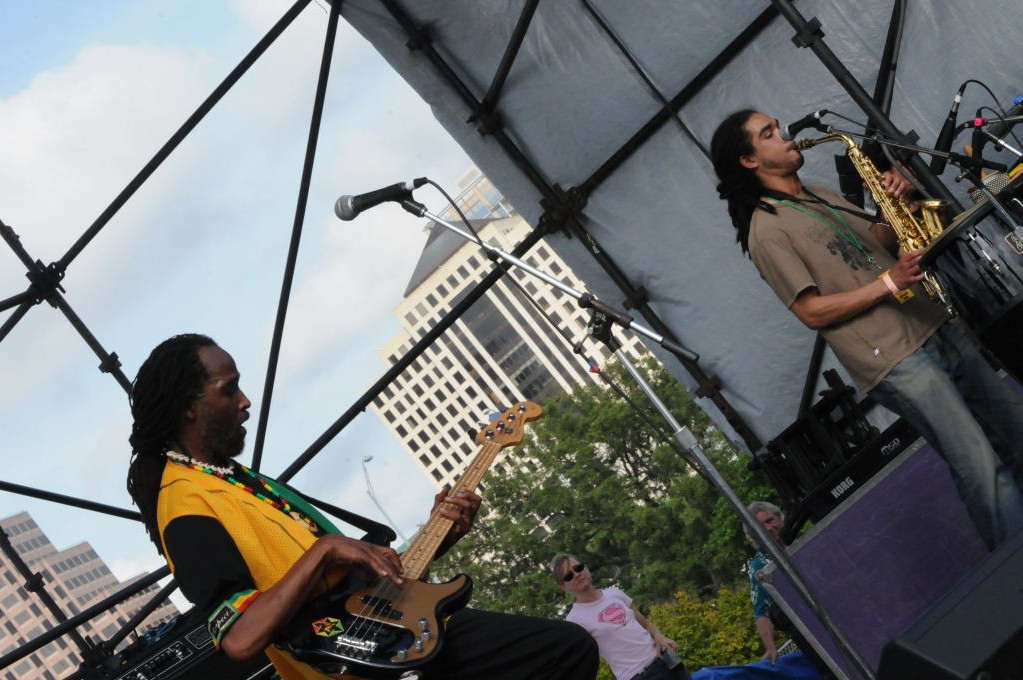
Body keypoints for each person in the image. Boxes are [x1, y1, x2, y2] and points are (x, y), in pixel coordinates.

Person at [126, 333, 598, 680]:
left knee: (563, 650)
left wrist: (438, 534)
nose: (245, 401)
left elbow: (349, 590)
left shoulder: (234, 480)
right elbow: (240, 636)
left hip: (394, 636)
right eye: (229, 389)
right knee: (562, 649)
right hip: (358, 664)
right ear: (188, 406)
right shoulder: (183, 505)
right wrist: (325, 550)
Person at [711, 109, 1023, 550]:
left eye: (778, 128)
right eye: (769, 134)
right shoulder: (766, 231)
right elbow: (810, 311)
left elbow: (875, 245)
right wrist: (888, 283)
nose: (785, 136)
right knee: (980, 464)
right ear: (749, 160)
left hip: (931, 322)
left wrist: (890, 204)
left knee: (1014, 426)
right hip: (894, 360)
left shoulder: (818, 193)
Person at [552, 553, 688, 680]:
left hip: (666, 660)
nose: (577, 574)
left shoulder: (614, 593)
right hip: (638, 675)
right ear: (563, 588)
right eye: (568, 576)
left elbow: (646, 624)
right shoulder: (574, 621)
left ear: (586, 568)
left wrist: (660, 637)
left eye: (578, 568)